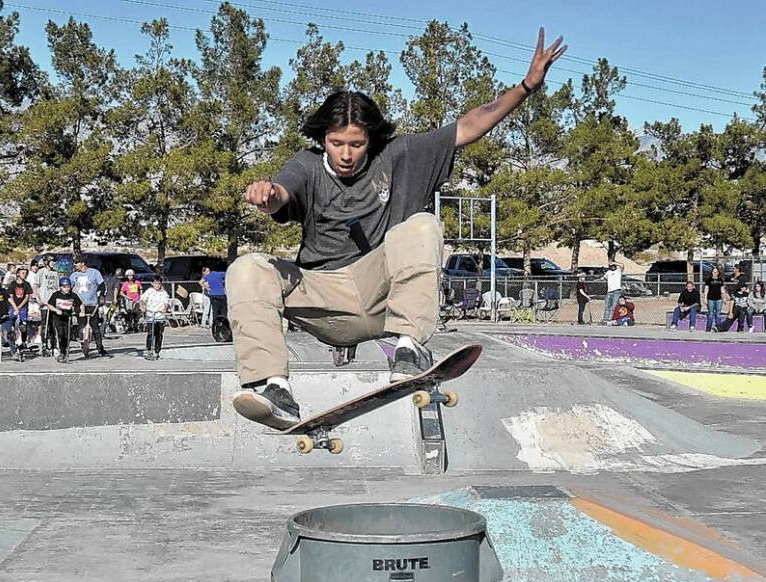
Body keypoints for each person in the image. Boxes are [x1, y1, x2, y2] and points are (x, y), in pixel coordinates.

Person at [229, 31, 567, 428]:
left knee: (422, 225)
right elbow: (283, 191)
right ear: (324, 139)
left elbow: (470, 125)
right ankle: (276, 390)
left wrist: (526, 87)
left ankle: (408, 348)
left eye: (356, 143)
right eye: (337, 143)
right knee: (246, 268)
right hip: (322, 300)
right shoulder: (306, 164)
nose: (346, 154)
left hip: (380, 295)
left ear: (370, 138)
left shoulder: (399, 153)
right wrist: (268, 197)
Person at [70, 254, 110, 357]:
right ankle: (83, 345)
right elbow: (68, 288)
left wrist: (101, 297)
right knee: (81, 326)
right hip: (79, 304)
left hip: (92, 304)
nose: (75, 265)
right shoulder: (74, 275)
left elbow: (102, 285)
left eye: (77, 263)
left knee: (95, 327)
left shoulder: (94, 273)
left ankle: (100, 348)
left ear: (83, 263)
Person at [44, 276, 83, 363]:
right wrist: (56, 310)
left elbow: (80, 304)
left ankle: (64, 351)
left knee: (67, 336)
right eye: (64, 287)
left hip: (67, 317)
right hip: (58, 318)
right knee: (60, 335)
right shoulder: (56, 295)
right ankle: (62, 352)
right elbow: (49, 305)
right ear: (60, 287)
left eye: (68, 287)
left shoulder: (73, 295)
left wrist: (81, 312)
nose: (66, 289)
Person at [140, 276, 171, 359]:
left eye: (159, 283)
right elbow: (142, 300)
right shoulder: (149, 292)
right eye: (155, 283)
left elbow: (166, 302)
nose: (157, 285)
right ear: (152, 283)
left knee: (159, 334)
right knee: (151, 333)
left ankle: (157, 351)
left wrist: (165, 309)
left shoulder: (163, 293)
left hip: (160, 315)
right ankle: (149, 349)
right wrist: (142, 307)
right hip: (151, 315)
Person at [7, 266, 34, 361]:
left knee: (23, 325)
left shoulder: (27, 284)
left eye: (25, 273)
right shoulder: (12, 284)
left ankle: (23, 342)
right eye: (22, 273)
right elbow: (10, 297)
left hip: (23, 307)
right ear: (18, 274)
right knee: (11, 325)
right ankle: (12, 343)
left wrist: (19, 307)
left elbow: (27, 297)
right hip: (12, 306)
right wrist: (15, 307)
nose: (24, 275)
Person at [35, 257, 60, 355]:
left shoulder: (56, 273)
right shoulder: (41, 272)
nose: (53, 263)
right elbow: (36, 286)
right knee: (45, 325)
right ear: (46, 262)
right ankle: (44, 345)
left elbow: (58, 288)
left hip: (53, 304)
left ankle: (54, 346)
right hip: (44, 303)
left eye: (54, 261)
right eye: (51, 261)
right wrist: (38, 299)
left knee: (53, 326)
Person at [703, 266, 725, 332]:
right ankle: (708, 328)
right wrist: (705, 298)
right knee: (711, 314)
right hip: (711, 299)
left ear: (718, 273)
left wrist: (724, 298)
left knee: (718, 314)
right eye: (714, 272)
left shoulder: (720, 280)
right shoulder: (708, 280)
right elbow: (706, 289)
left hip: (719, 299)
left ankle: (718, 328)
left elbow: (722, 290)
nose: (715, 273)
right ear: (712, 272)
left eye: (716, 272)